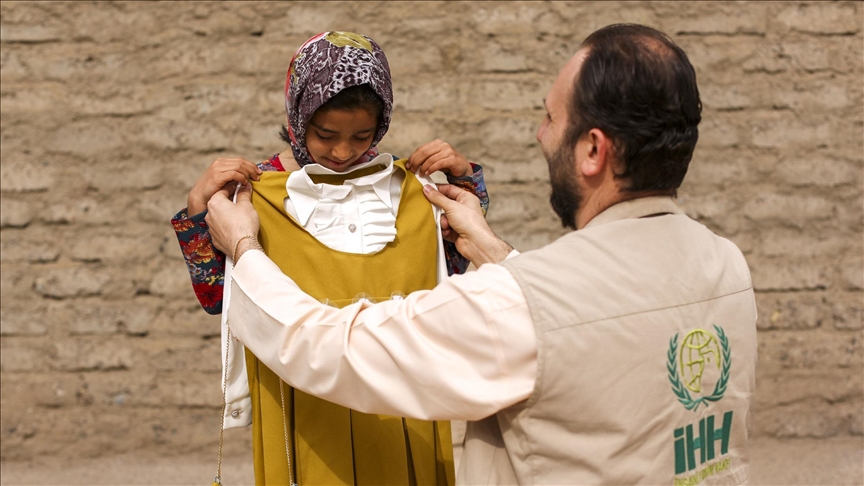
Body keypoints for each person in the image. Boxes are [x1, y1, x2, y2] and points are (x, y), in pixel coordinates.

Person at [206, 24, 757, 485]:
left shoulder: (514, 305)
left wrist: (245, 247)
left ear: (592, 149)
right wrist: (492, 248)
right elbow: (579, 318)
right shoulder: (728, 267)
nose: (541, 136)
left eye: (550, 118)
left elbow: (332, 349)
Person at [171, 32, 490, 485]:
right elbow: (219, 299)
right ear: (298, 118)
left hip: (398, 397)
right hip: (302, 400)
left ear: (381, 125)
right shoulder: (256, 193)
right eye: (325, 135)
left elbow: (453, 266)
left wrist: (466, 184)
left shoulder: (407, 190)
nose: (343, 152)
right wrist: (200, 212)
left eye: (362, 136)